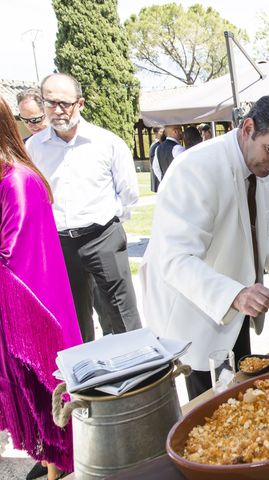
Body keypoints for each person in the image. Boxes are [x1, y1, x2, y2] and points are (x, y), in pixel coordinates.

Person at [140, 96, 269, 400]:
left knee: (238, 398)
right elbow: (176, 259)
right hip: (196, 318)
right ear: (248, 128)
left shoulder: (259, 165)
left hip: (237, 313)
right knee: (212, 411)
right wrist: (235, 294)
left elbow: (265, 232)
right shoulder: (195, 169)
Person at [0, 96, 82, 480]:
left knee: (42, 390)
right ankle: (50, 461)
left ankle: (58, 465)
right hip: (14, 309)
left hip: (32, 310)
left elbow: (10, 251)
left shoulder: (18, 181)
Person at [26, 73, 141, 343]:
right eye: (50, 102)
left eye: (64, 103)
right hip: (60, 244)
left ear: (80, 103)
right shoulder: (33, 149)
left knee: (121, 315)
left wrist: (108, 226)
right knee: (73, 320)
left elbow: (129, 194)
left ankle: (137, 374)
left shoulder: (107, 143)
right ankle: (88, 381)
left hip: (103, 237)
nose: (57, 110)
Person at [149, 126, 164, 192]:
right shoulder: (156, 146)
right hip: (158, 176)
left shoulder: (156, 145)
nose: (163, 134)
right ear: (156, 133)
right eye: (161, 132)